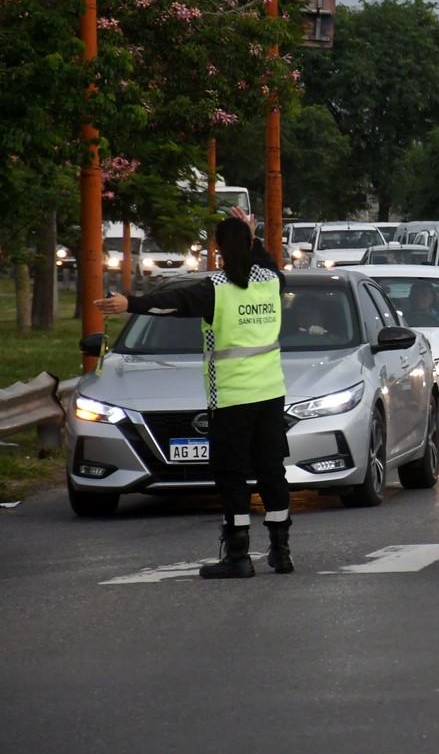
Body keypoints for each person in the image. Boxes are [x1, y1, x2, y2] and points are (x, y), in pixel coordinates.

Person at [94, 207, 294, 579]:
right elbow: (266, 261)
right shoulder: (271, 281)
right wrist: (252, 236)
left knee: (232, 475)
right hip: (271, 394)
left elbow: (171, 303)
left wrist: (129, 304)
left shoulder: (214, 288)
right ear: (249, 244)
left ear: (217, 249)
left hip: (231, 398)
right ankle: (281, 553)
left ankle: (238, 556)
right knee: (272, 472)